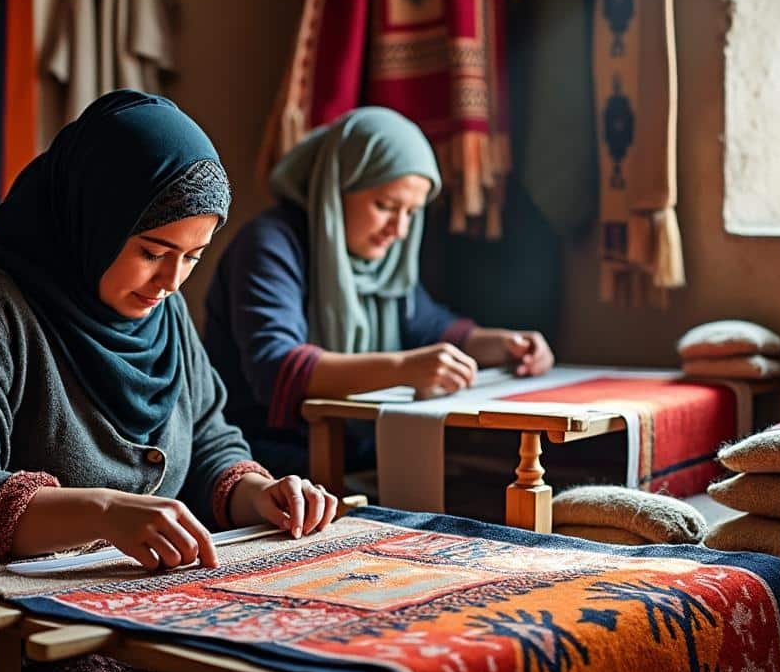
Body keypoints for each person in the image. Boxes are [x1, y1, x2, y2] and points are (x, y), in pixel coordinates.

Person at [0, 90, 338, 672]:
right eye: (151, 252)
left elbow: (209, 438)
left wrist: (260, 495)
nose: (170, 283)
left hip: (147, 619)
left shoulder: (160, 316)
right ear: (93, 217)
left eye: (191, 257)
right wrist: (103, 515)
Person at [204, 107, 555, 478]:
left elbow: (431, 327)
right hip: (270, 466)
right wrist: (404, 368)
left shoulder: (383, 259)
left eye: (411, 213)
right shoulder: (271, 244)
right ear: (337, 185)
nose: (399, 229)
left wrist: (507, 344)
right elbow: (276, 369)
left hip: (362, 456)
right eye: (385, 206)